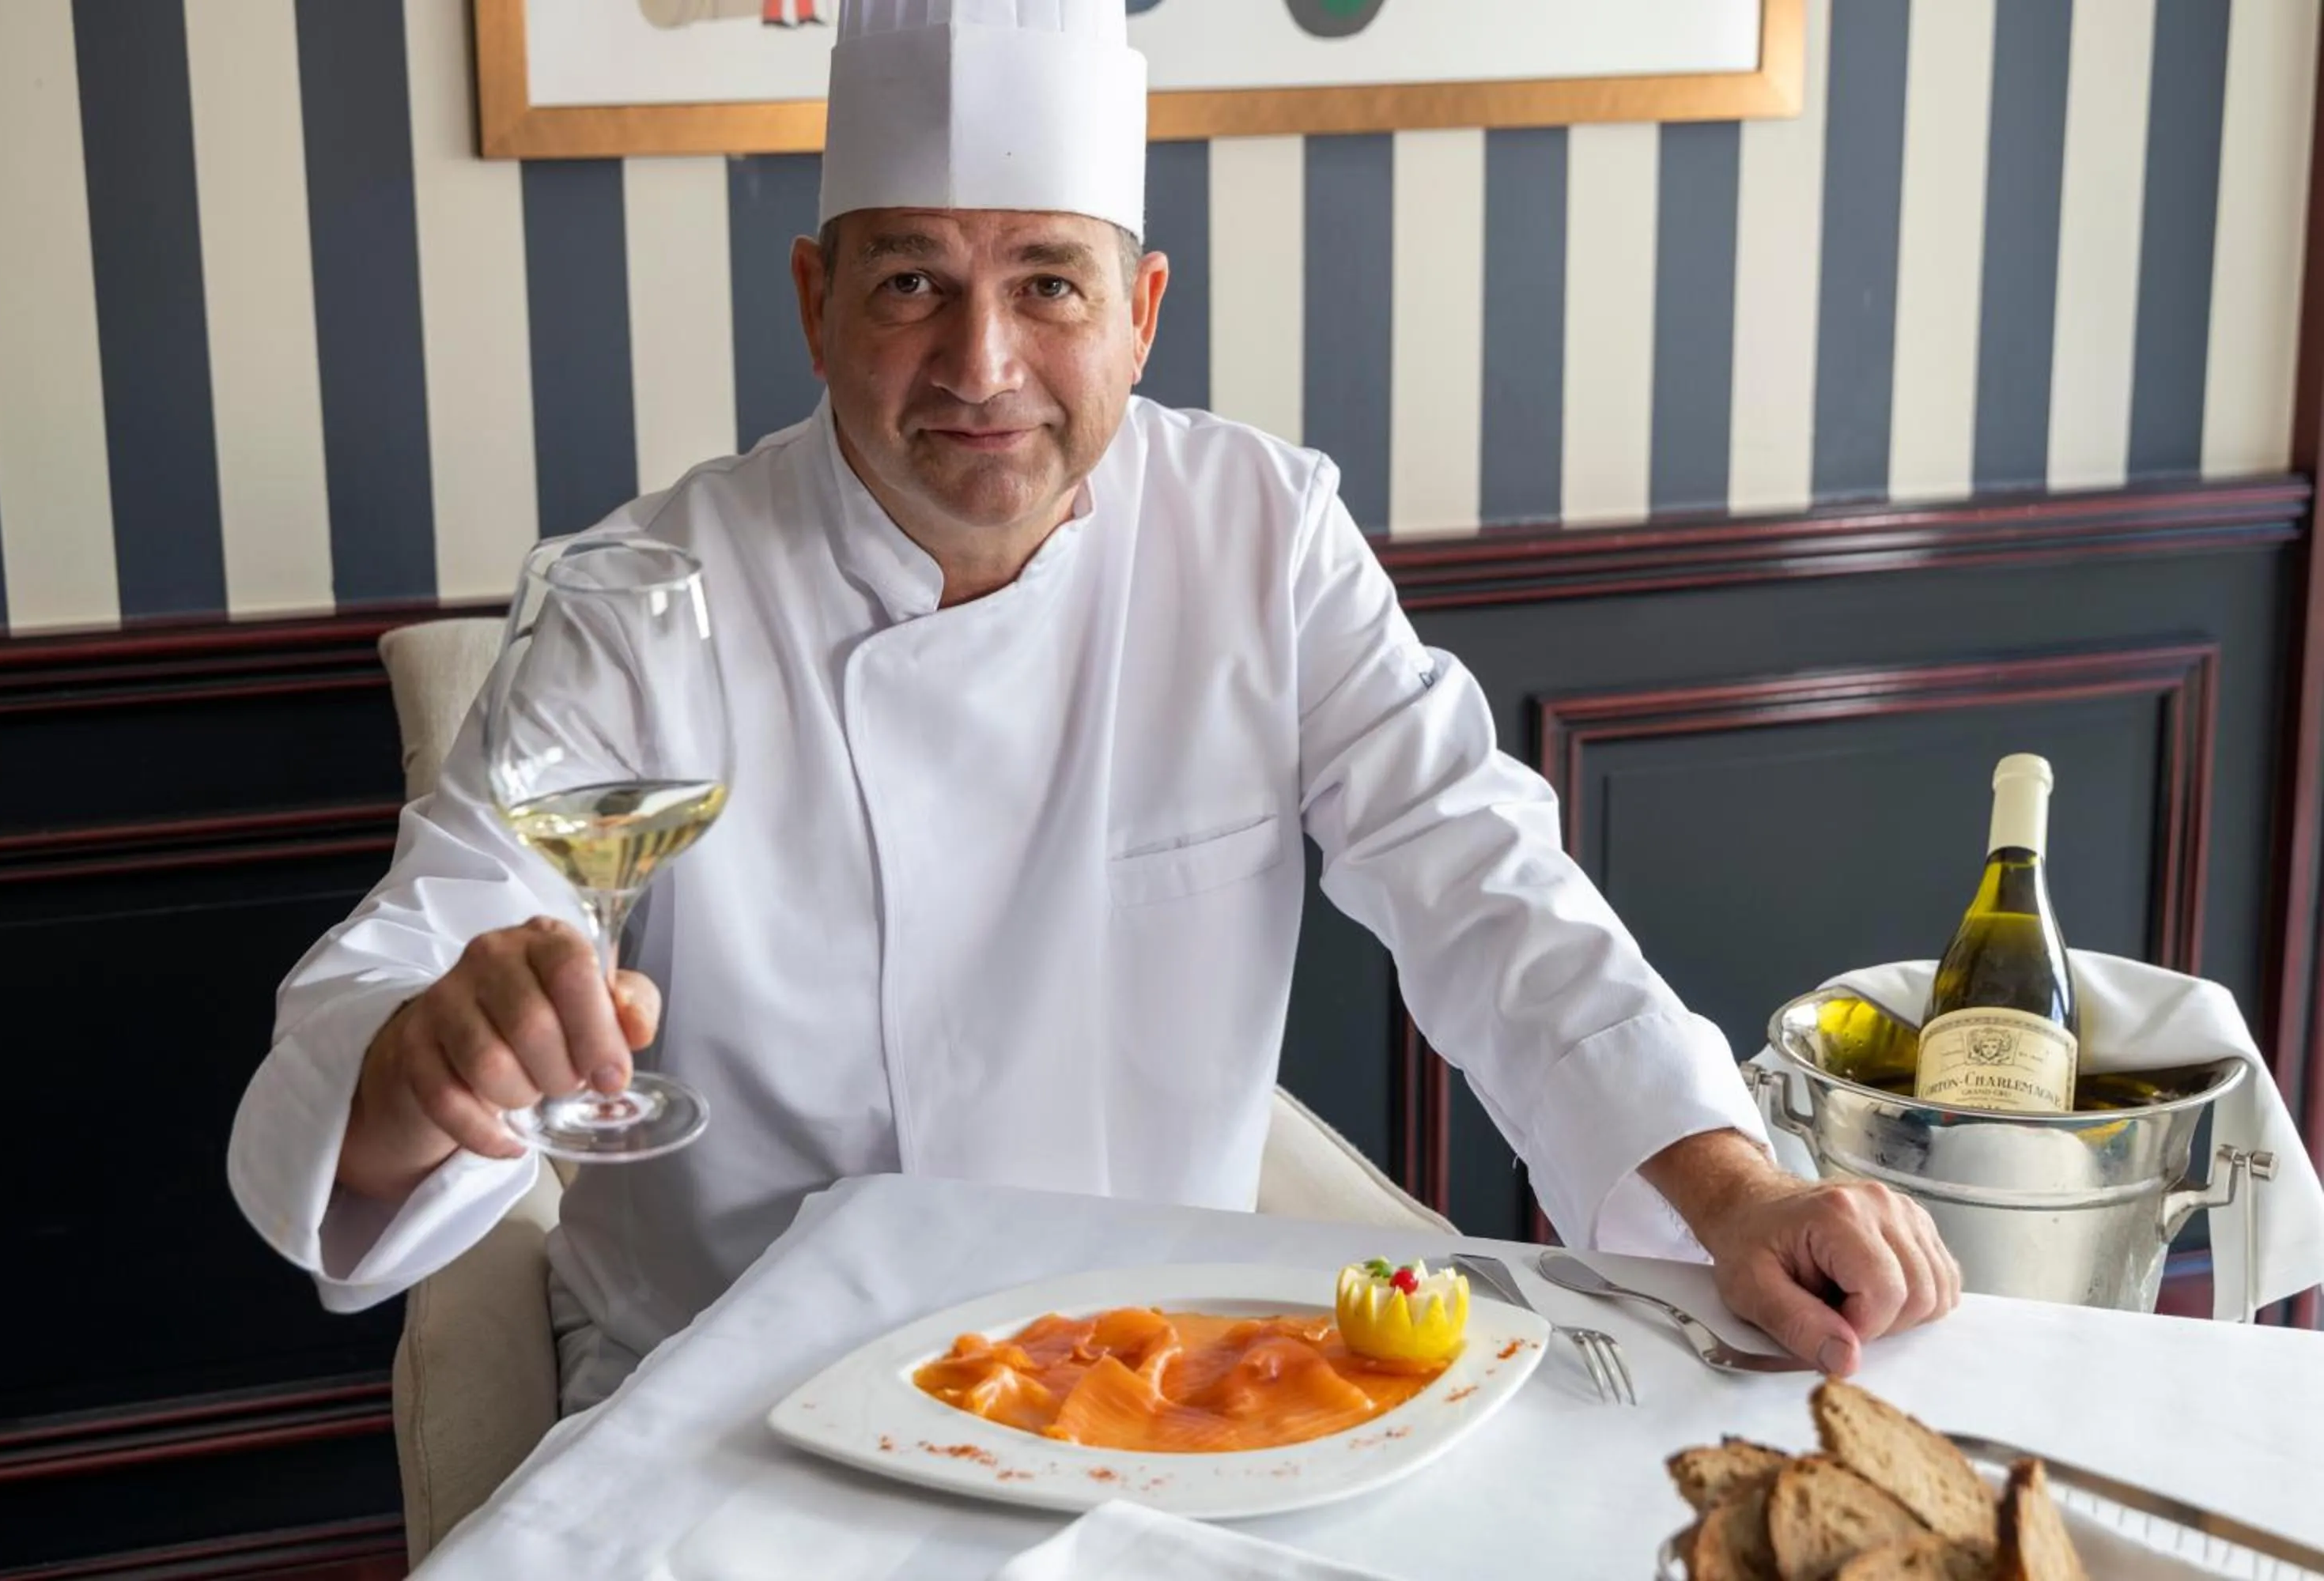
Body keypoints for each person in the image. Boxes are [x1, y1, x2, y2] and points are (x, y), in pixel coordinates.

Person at [229, 0, 1959, 1413]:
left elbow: (1481, 879)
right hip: (734, 1387)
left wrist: (1738, 1193)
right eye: (910, 280)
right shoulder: (645, 590)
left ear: (1138, 315)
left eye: (1046, 282)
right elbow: (431, 943)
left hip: (1171, 1382)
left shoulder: (1263, 535)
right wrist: (428, 1057)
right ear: (815, 304)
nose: (981, 365)